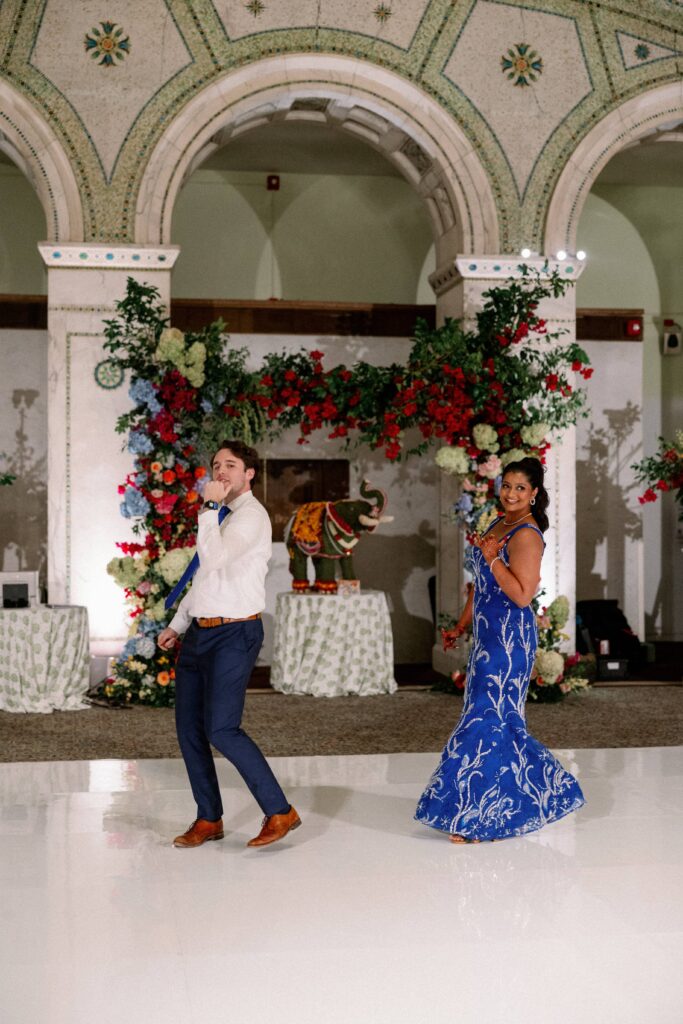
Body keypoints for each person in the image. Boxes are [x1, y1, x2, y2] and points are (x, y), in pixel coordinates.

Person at [415, 457, 584, 842]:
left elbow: (522, 595)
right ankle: (490, 807)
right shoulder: (498, 523)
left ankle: (490, 813)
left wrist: (492, 556)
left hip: (510, 643)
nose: (510, 493)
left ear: (534, 494)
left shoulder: (526, 534)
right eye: (506, 485)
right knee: (489, 720)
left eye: (520, 488)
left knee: (488, 720)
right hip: (487, 640)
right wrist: (461, 625)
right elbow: (481, 585)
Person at [157, 440, 301, 849]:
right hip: (201, 632)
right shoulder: (221, 516)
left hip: (235, 634)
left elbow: (215, 558)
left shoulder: (250, 517)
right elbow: (206, 576)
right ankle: (209, 819)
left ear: (249, 474)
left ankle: (279, 811)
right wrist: (179, 623)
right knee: (189, 730)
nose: (221, 471)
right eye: (216, 464)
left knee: (221, 728)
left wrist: (206, 510)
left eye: (231, 465)